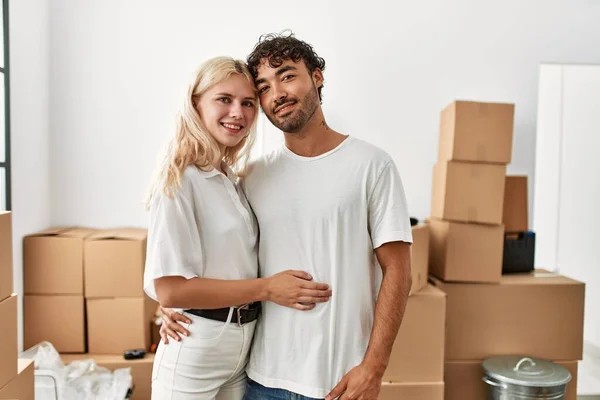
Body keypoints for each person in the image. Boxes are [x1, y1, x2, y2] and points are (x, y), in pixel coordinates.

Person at [162, 33, 413, 400]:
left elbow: (399, 272)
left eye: (287, 75)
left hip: (340, 381)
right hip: (261, 378)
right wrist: (170, 302)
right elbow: (220, 256)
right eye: (263, 86)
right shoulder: (251, 176)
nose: (276, 92)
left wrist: (374, 367)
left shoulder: (372, 165)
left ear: (317, 76)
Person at [143, 55, 332, 400]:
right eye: (224, 100)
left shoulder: (231, 181)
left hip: (242, 348)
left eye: (248, 103)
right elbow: (169, 288)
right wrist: (268, 289)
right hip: (197, 348)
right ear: (195, 103)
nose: (238, 113)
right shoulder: (180, 179)